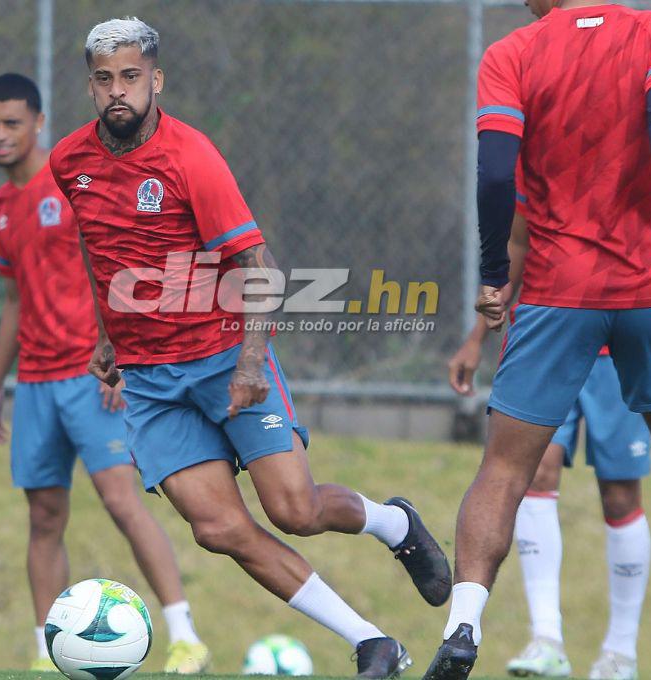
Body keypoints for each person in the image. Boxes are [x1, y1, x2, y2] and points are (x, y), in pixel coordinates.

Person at [48, 18, 452, 678]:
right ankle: (371, 642)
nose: (116, 91)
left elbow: (259, 265)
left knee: (295, 510)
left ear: (155, 80)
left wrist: (248, 363)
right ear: (89, 86)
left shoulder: (190, 158)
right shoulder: (71, 163)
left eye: (129, 77)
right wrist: (108, 333)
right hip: (151, 382)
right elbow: (102, 251)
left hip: (223, 357)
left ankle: (393, 525)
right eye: (102, 80)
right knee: (217, 530)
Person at [422, 2, 651, 679]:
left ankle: (463, 629)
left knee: (505, 468)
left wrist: (490, 274)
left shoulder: (511, 53)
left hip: (555, 292)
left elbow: (494, 172)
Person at [0, 73, 209, 674]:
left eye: (12, 123)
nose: (0, 135)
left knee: (121, 500)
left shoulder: (71, 186)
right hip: (33, 384)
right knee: (44, 516)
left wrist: (122, 361)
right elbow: (13, 301)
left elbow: (119, 266)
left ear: (38, 124)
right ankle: (44, 652)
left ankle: (184, 635)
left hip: (92, 375)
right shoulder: (2, 207)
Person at [449, 212, 651, 679]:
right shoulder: (540, 154)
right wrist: (476, 338)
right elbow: (518, 243)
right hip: (548, 338)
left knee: (620, 494)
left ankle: (620, 656)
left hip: (622, 347)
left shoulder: (642, 152)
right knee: (535, 471)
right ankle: (546, 639)